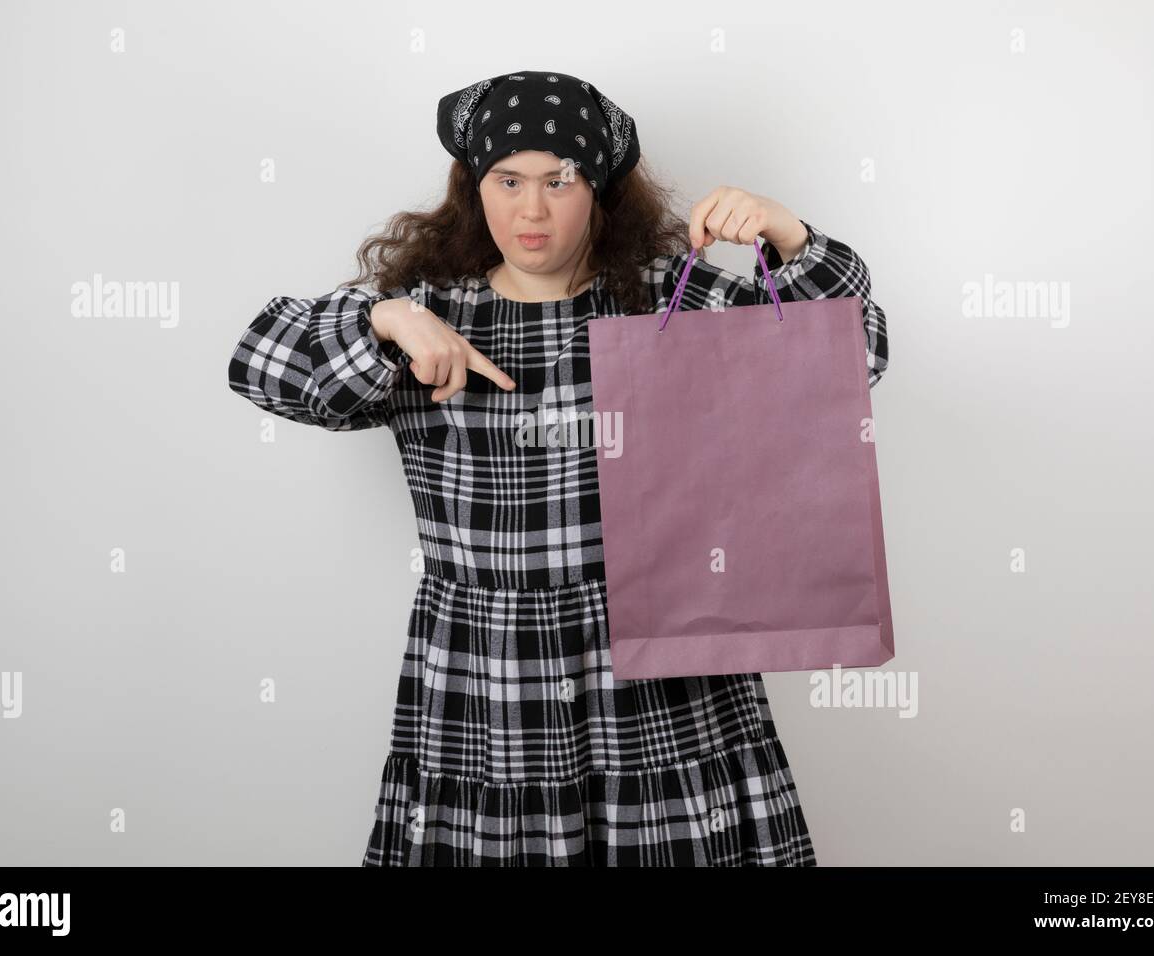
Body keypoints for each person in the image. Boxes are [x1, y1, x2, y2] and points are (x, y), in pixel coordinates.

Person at [227, 69, 889, 866]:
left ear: (600, 192)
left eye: (558, 181)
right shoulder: (427, 316)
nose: (531, 210)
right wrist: (386, 318)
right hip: (485, 668)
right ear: (475, 188)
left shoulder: (663, 308)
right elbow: (261, 365)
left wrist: (790, 238)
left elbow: (853, 359)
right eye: (507, 180)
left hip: (663, 647)